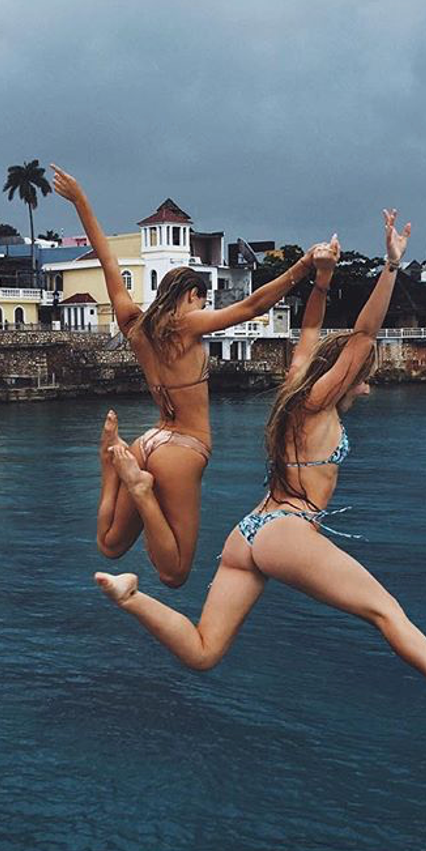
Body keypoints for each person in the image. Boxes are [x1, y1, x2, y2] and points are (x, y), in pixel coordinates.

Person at [95, 209, 426, 732]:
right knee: (385, 611)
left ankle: (132, 597)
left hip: (248, 533)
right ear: (344, 378)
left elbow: (312, 327)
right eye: (363, 380)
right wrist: (390, 266)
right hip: (285, 530)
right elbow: (364, 332)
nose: (366, 387)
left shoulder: (298, 381)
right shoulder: (319, 399)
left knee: (205, 651)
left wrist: (321, 280)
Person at [51, 163, 334, 588]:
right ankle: (139, 488)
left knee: (110, 545)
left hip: (149, 440)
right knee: (175, 573)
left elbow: (107, 259)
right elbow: (252, 307)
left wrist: (81, 200)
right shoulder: (188, 325)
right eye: (202, 300)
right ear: (190, 296)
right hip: (184, 448)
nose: (205, 308)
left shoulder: (134, 324)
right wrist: (304, 268)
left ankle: (112, 464)